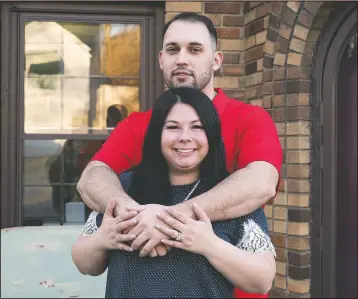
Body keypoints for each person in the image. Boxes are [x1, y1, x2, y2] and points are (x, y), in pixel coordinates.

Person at [77, 12, 282, 298]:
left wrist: (166, 222)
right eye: (173, 50)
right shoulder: (140, 124)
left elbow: (260, 183)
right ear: (161, 59)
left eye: (195, 49)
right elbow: (92, 177)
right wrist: (132, 217)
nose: (182, 59)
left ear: (217, 60)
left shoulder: (249, 118)